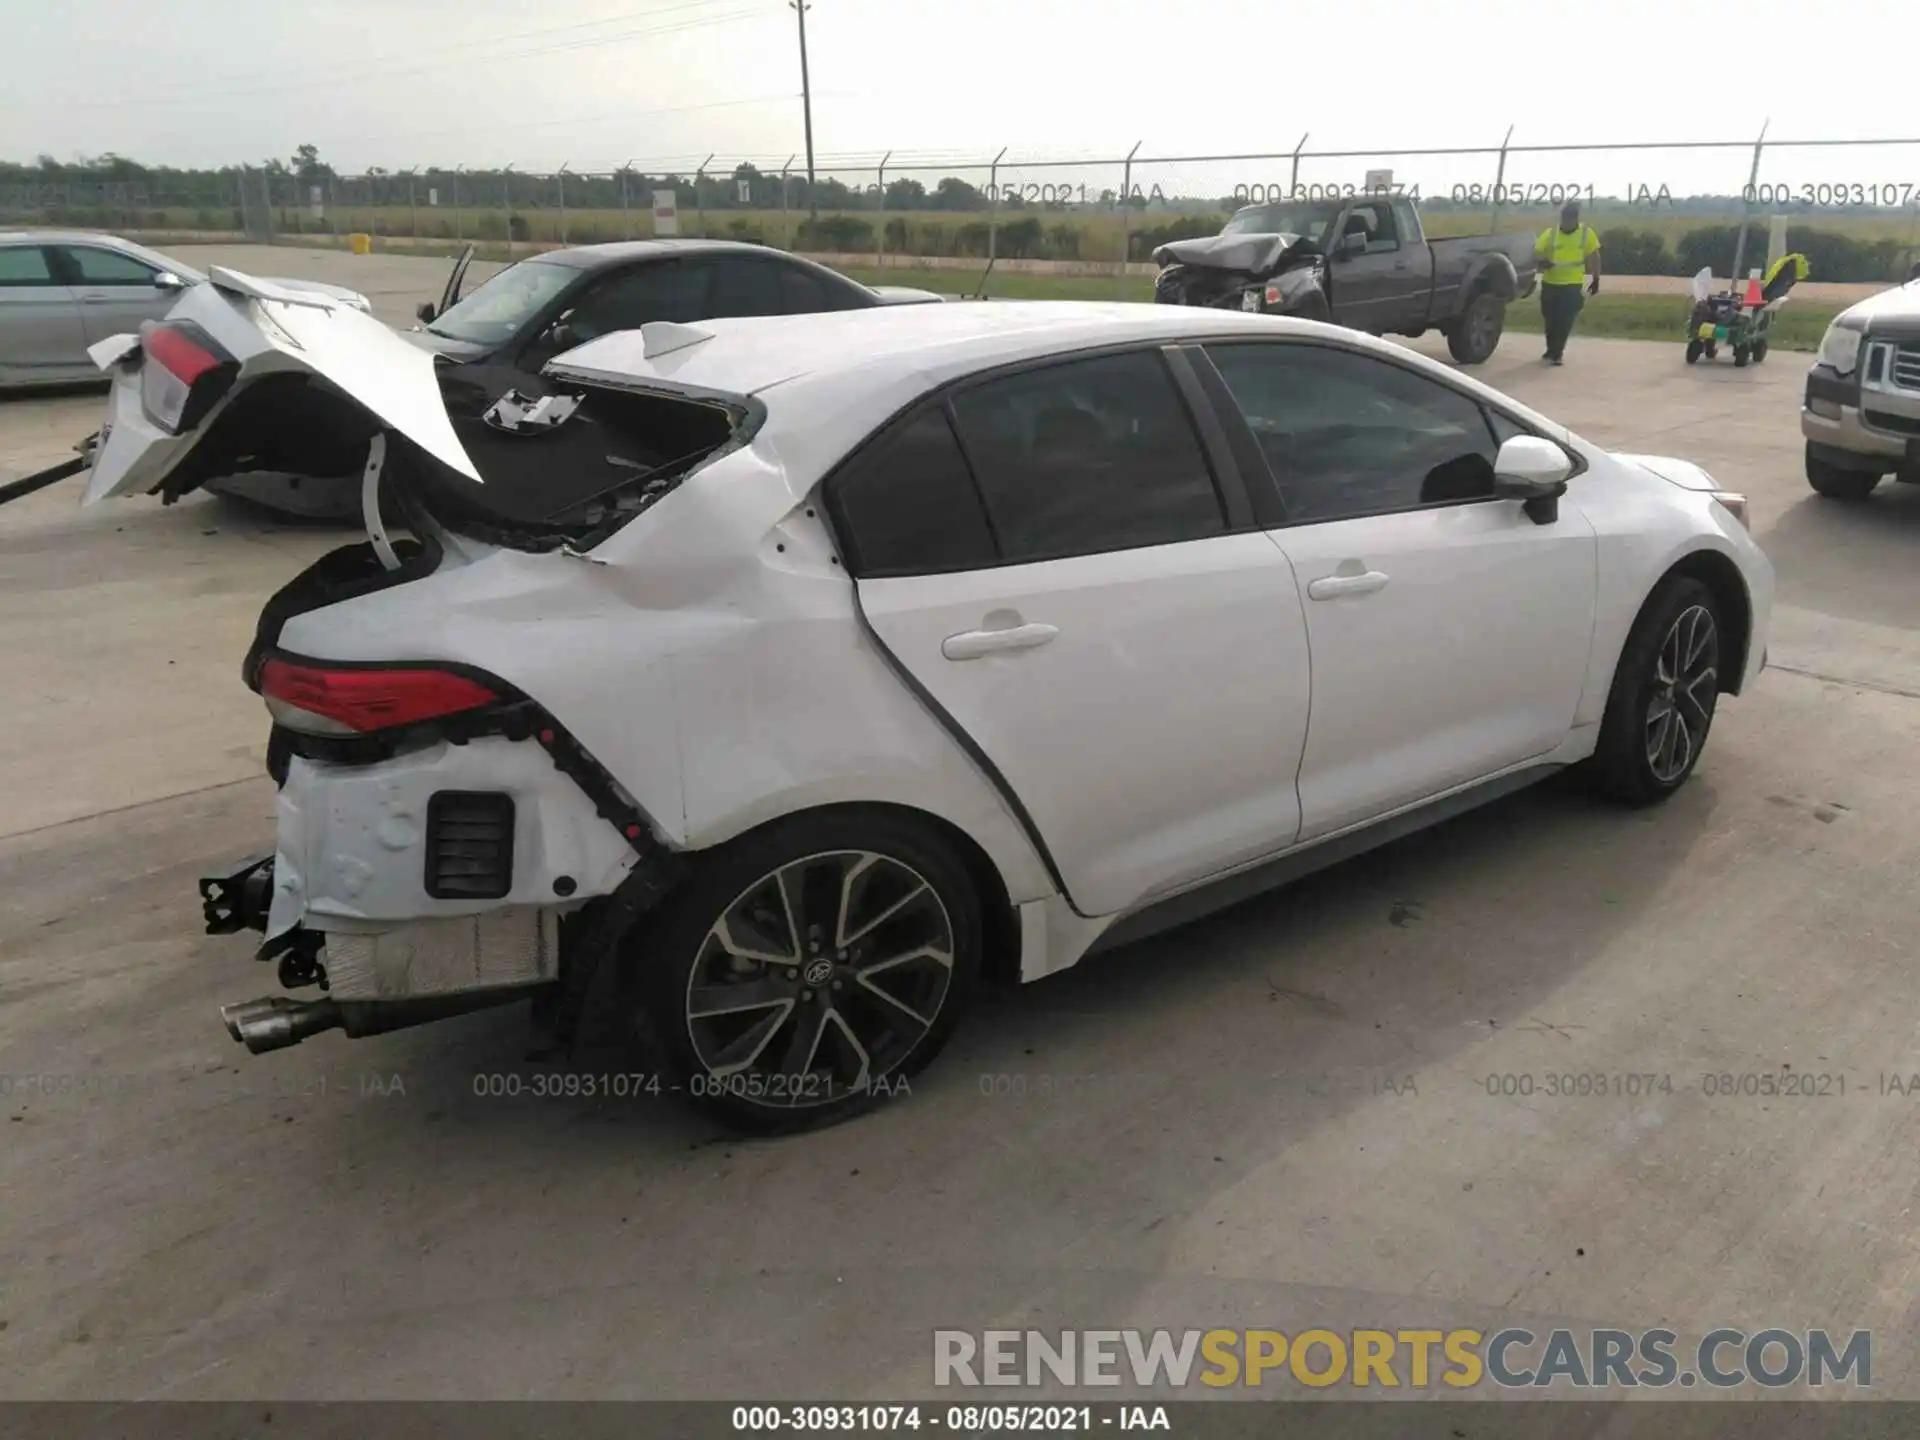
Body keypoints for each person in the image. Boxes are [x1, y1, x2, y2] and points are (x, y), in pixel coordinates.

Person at [1534, 200, 1602, 365]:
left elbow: (1594, 257)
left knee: (1565, 321)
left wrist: (1596, 279)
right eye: (1566, 217)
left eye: (1572, 218)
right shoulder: (1550, 234)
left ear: (1576, 219)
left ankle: (1557, 353)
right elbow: (1536, 253)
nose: (1568, 221)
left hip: (1572, 285)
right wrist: (1542, 262)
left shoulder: (1587, 233)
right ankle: (1551, 349)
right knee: (1550, 320)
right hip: (1551, 283)